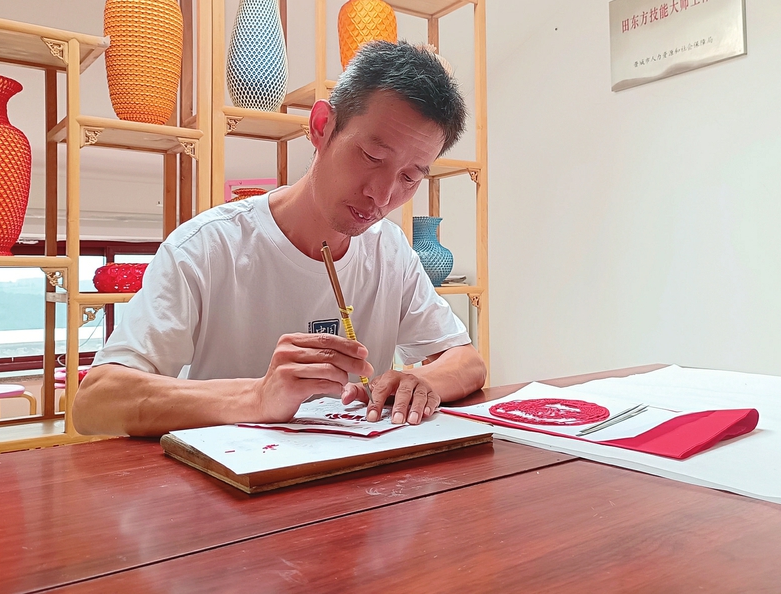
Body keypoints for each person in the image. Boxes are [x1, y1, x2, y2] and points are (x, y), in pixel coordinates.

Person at [73, 41, 487, 437]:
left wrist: (421, 381)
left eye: (410, 176)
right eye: (372, 157)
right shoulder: (207, 247)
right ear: (322, 126)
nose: (382, 196)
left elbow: (467, 361)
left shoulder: (389, 250)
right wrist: (256, 396)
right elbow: (96, 402)